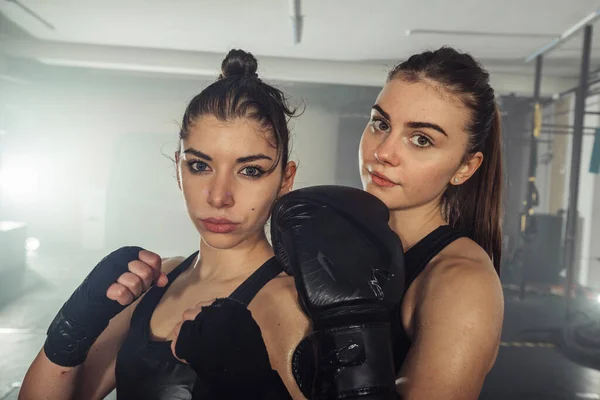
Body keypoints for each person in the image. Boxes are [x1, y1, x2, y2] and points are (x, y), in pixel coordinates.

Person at [18, 49, 310, 400]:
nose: (219, 197)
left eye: (250, 170)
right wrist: (70, 328)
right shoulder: (155, 281)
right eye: (200, 166)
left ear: (285, 179)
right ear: (178, 168)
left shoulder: (290, 304)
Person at [359, 47, 505, 399]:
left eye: (421, 139)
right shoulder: (347, 245)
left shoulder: (461, 281)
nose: (383, 152)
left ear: (465, 168)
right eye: (381, 124)